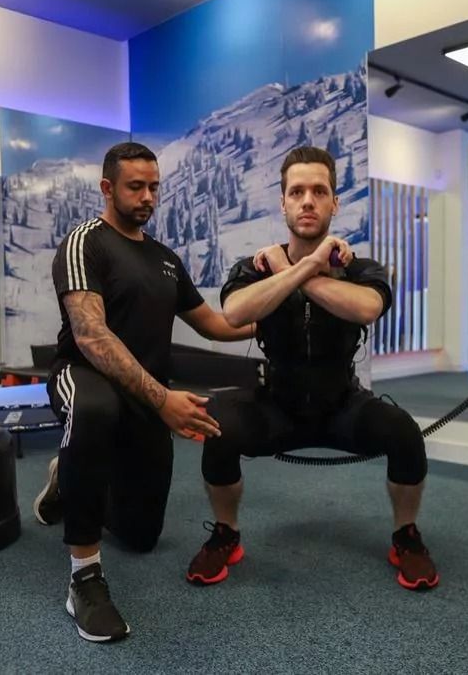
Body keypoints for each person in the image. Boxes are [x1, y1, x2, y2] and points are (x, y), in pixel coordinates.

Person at [185, 146, 438, 593]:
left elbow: (366, 308)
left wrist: (294, 269)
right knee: (219, 430)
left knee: (404, 433)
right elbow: (236, 313)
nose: (307, 201)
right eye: (297, 191)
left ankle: (406, 536)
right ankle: (226, 533)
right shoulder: (254, 267)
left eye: (319, 191)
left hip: (342, 405)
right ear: (282, 202)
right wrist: (301, 267)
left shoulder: (360, 268)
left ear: (334, 203)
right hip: (276, 406)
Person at [39, 142, 254, 643]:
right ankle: (84, 579)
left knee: (141, 537)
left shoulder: (164, 259)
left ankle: (69, 479)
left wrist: (274, 320)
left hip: (145, 394)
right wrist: (163, 400)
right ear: (107, 188)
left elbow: (214, 325)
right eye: (136, 186)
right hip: (84, 376)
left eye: (154, 186)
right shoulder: (85, 243)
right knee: (93, 410)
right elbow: (91, 336)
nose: (148, 197)